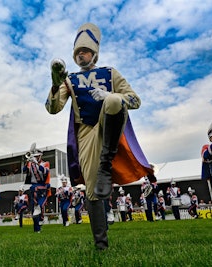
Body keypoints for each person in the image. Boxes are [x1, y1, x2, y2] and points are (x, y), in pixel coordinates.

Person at [45, 22, 152, 250]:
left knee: (114, 100)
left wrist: (109, 95)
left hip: (108, 124)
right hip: (85, 134)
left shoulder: (110, 73)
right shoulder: (70, 79)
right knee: (92, 189)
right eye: (77, 53)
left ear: (94, 53)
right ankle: (101, 244)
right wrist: (55, 84)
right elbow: (52, 109)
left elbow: (135, 100)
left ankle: (106, 162)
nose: (80, 56)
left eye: (83, 51)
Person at [23, 143, 51, 233]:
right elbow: (24, 171)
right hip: (34, 187)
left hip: (43, 187)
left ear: (40, 156)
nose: (36, 157)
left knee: (40, 206)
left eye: (37, 156)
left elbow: (45, 172)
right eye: (35, 156)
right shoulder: (30, 164)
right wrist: (27, 161)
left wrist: (36, 163)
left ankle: (41, 219)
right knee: (34, 210)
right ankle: (36, 230)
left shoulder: (45, 163)